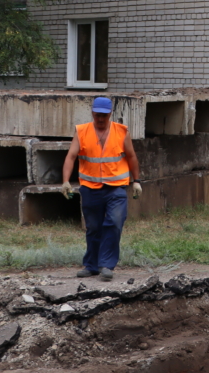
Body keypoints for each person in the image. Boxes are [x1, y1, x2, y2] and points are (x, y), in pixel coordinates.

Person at [60, 97, 142, 282]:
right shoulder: (82, 131)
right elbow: (71, 156)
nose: (100, 119)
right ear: (92, 113)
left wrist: (136, 181)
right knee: (94, 227)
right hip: (90, 189)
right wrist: (65, 181)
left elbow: (131, 156)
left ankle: (106, 265)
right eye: (97, 115)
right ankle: (92, 266)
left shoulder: (121, 132)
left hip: (116, 188)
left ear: (110, 114)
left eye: (104, 115)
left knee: (114, 222)